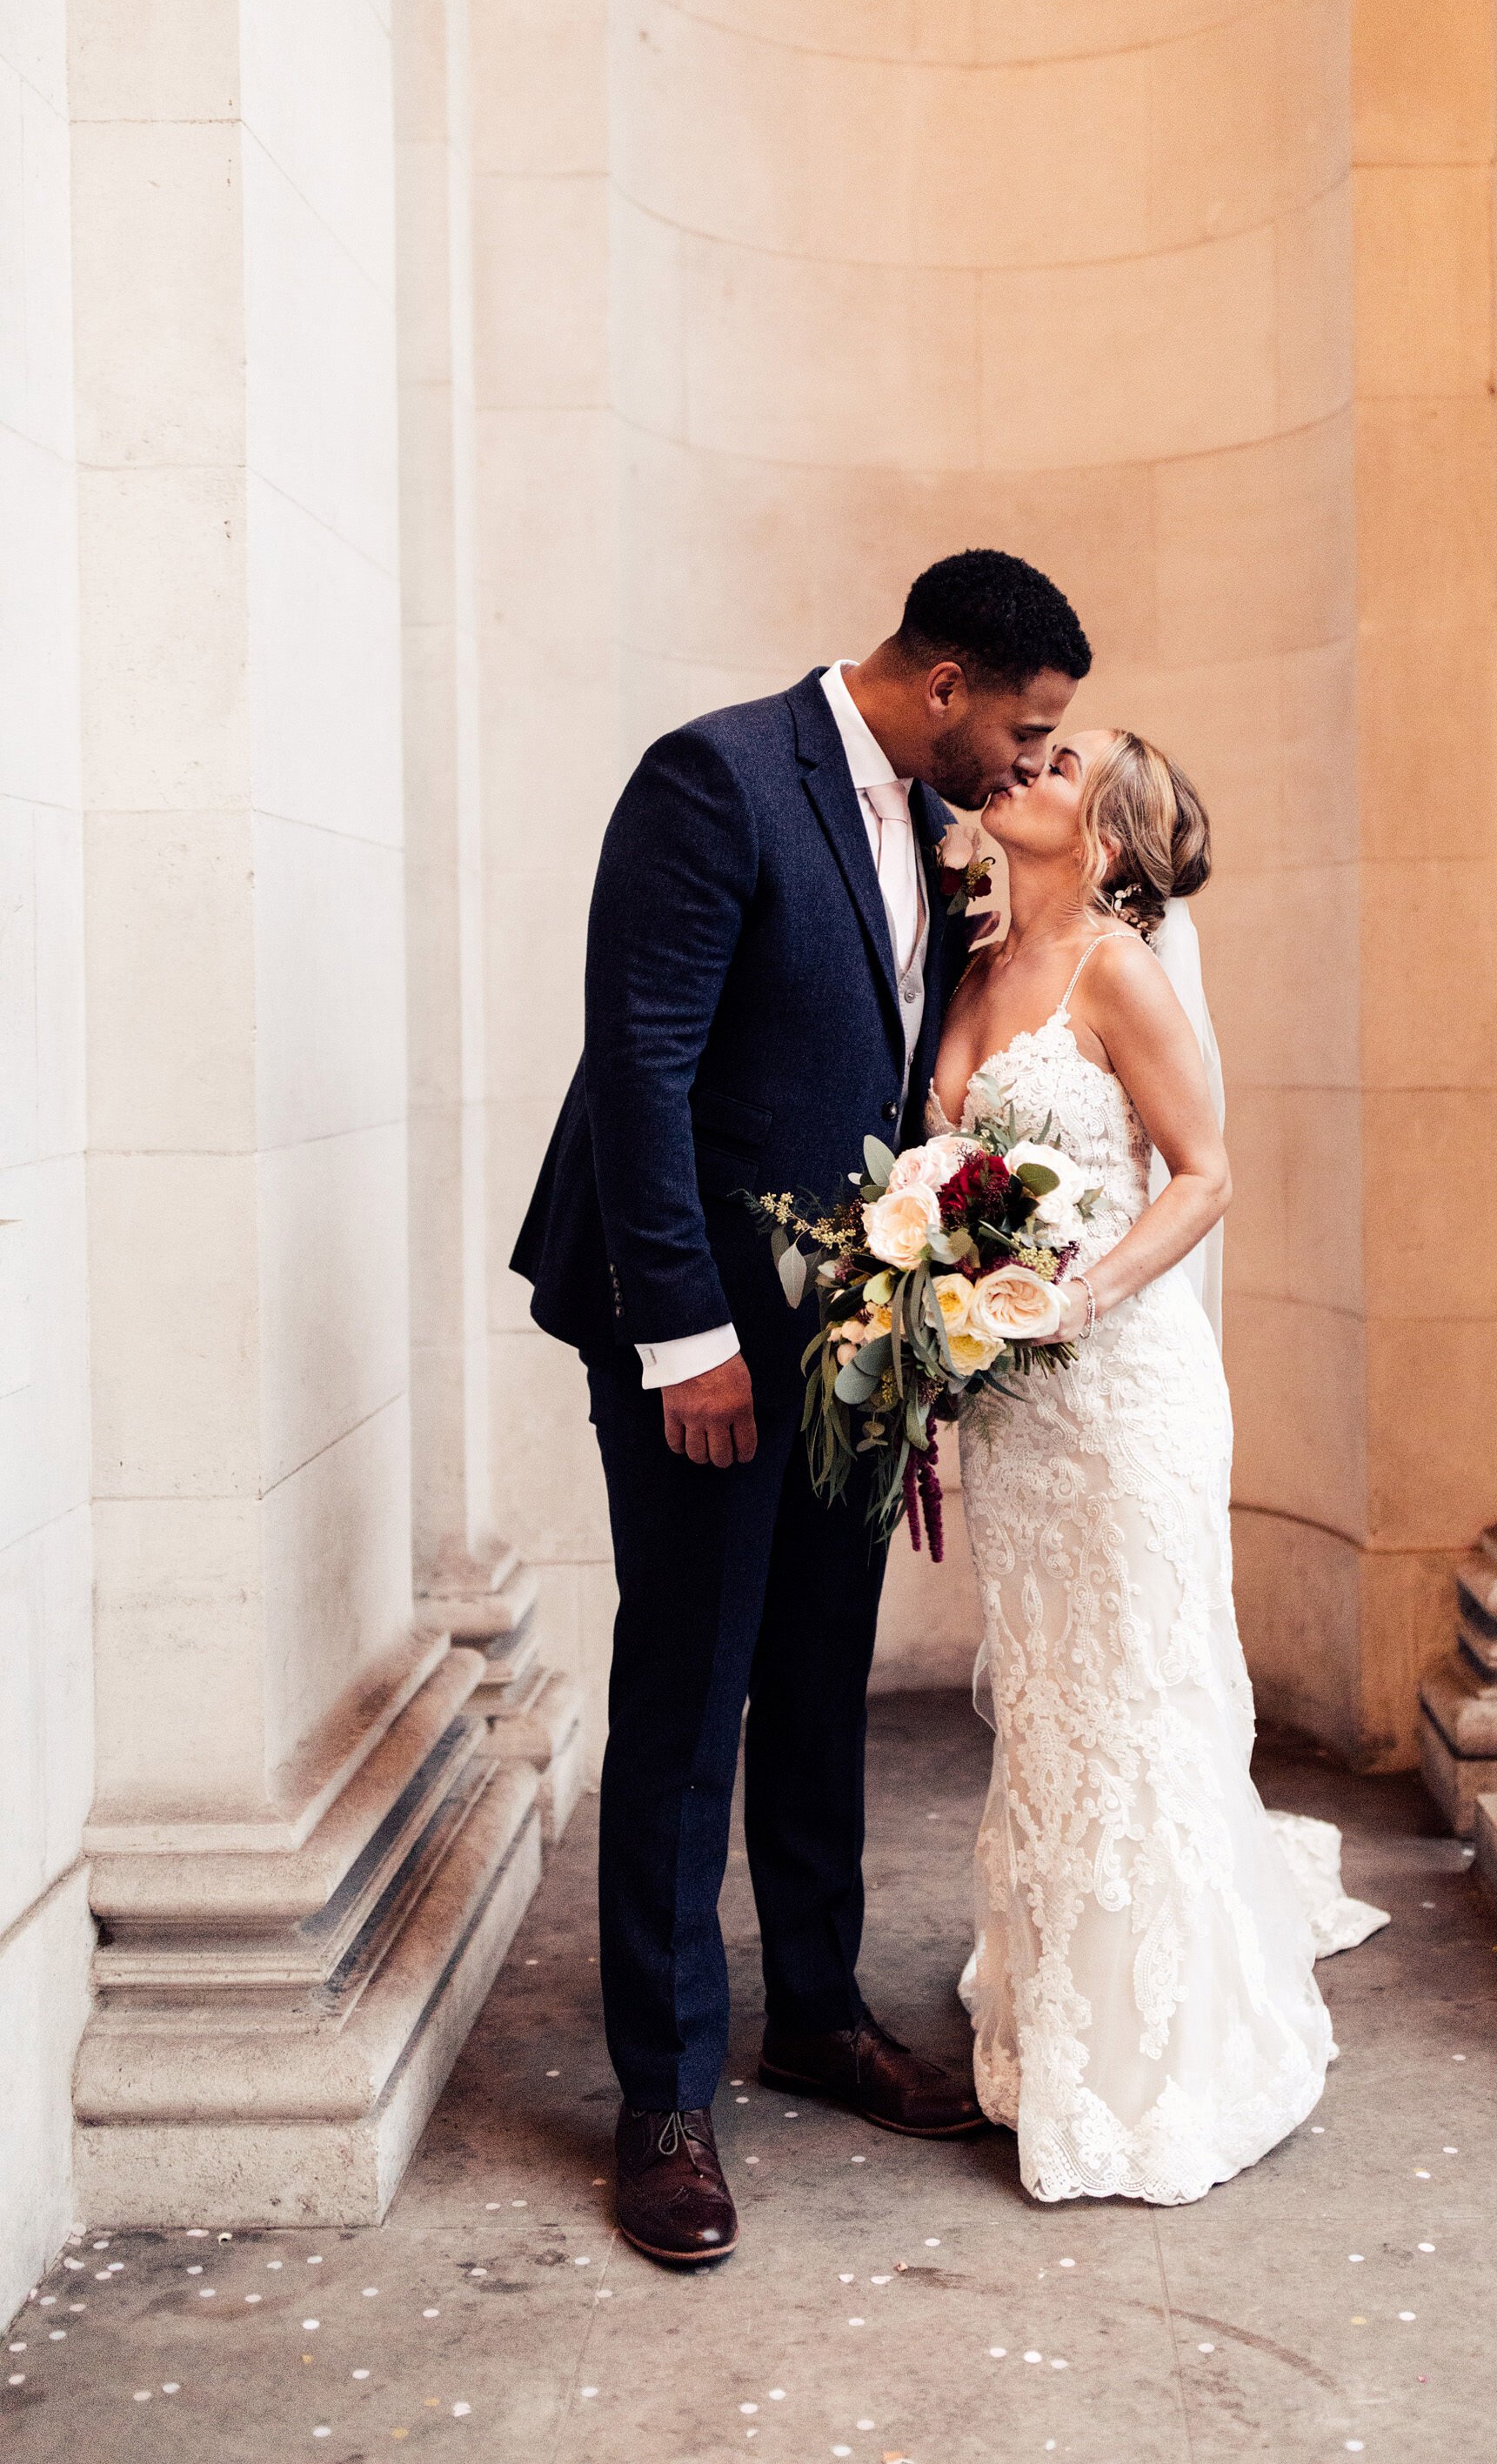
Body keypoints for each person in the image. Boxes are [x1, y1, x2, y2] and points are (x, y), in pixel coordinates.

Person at [511, 551, 1091, 2266]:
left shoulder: (927, 822)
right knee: (689, 1698)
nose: (1027, 764)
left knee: (818, 1679)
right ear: (940, 686)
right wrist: (679, 1333)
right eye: (1021, 728)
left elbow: (909, 1093)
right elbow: (643, 1065)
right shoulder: (714, 778)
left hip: (853, 1340)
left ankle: (816, 2014)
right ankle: (666, 2092)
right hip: (693, 1329)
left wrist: (951, 1309)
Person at [932, 729, 1388, 2206]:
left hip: (1122, 1396)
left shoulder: (1117, 970)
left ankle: (1160, 2054)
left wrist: (1079, 1297)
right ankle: (1053, 1994)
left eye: (1062, 765)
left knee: (1132, 1695)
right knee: (1052, 1697)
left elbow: (1207, 1174)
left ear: (1110, 840)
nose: (1023, 767)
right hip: (1015, 1417)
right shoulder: (974, 965)